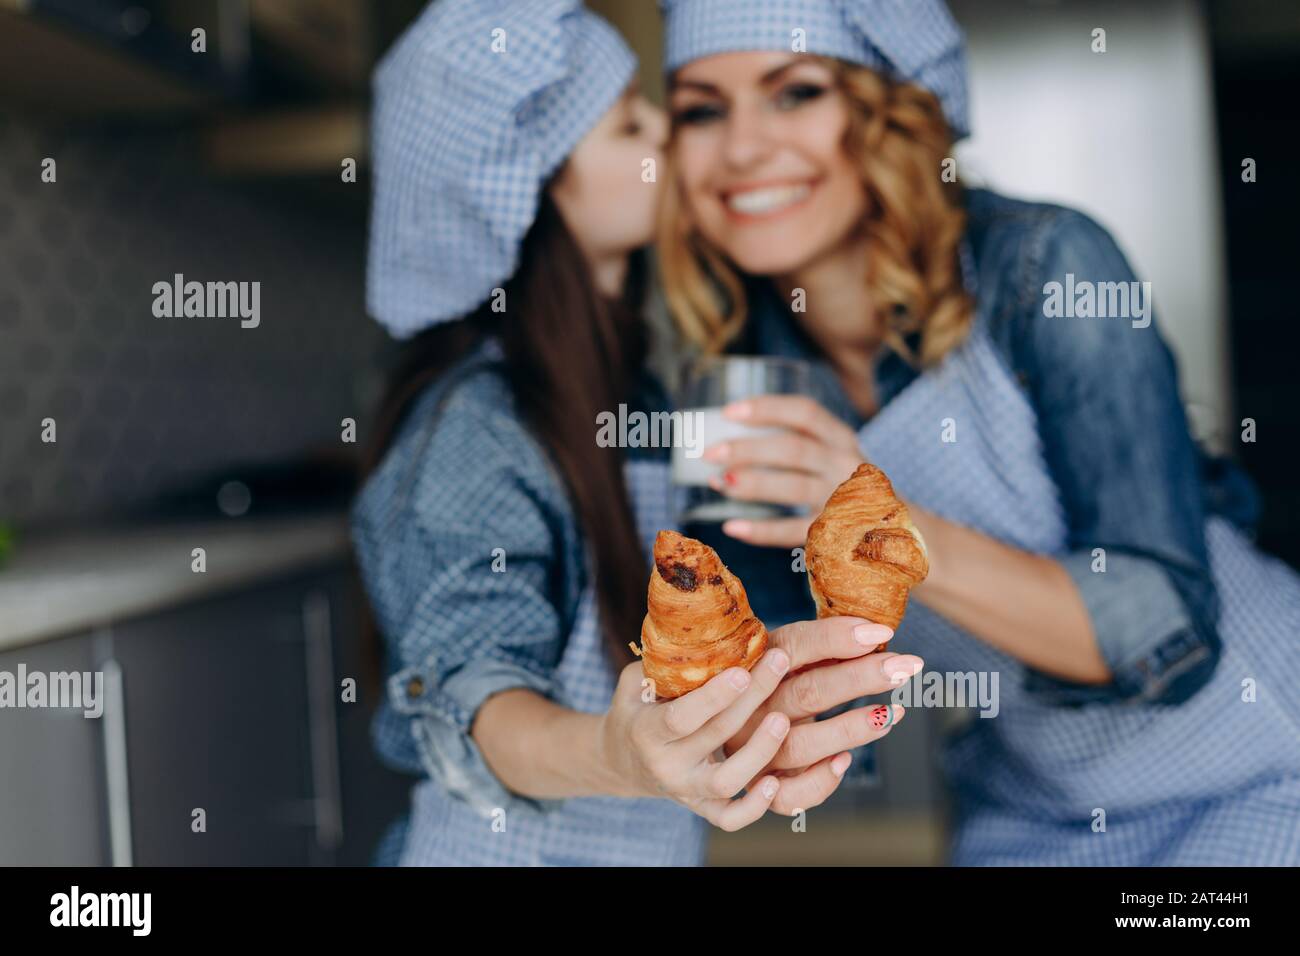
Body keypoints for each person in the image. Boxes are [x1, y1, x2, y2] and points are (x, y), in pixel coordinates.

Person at [656, 0, 1300, 864]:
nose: (741, 147)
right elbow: (802, 691)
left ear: (885, 112)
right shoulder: (732, 367)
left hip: (1261, 758)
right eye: (702, 108)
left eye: (795, 93)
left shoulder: (1045, 266)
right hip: (1034, 803)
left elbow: (1162, 633)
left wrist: (884, 526)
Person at [352, 0, 921, 866]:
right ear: (529, 186)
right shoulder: (480, 423)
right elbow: (478, 697)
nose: (668, 133)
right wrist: (623, 753)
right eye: (628, 125)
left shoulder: (640, 389)